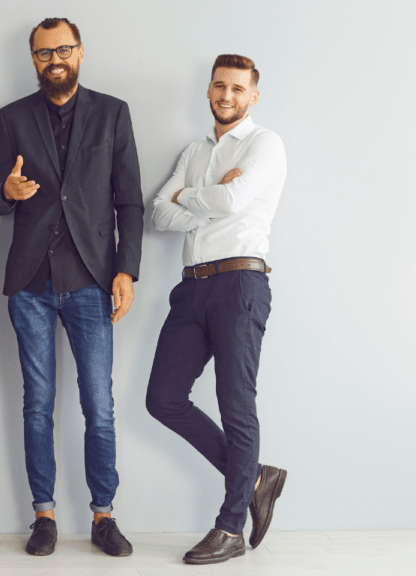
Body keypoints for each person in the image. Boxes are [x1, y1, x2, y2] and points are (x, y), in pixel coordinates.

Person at [0, 17, 143, 557]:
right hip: (30, 280)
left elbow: (129, 201)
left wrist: (126, 270)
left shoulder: (113, 113)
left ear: (80, 52)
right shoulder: (11, 118)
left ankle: (104, 515)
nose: (55, 58)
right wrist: (6, 190)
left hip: (93, 279)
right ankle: (44, 516)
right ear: (33, 59)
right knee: (38, 403)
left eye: (64, 49)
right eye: (44, 51)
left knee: (99, 405)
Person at [146, 54, 288, 565]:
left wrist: (190, 198)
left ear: (252, 95)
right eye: (218, 86)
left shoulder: (264, 144)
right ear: (208, 91)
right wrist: (204, 194)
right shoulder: (194, 149)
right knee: (162, 397)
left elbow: (234, 202)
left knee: (235, 400)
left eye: (236, 88)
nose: (226, 96)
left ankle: (230, 529)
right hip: (191, 289)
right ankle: (254, 476)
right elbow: (160, 214)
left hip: (241, 283)